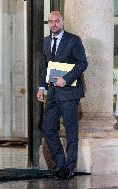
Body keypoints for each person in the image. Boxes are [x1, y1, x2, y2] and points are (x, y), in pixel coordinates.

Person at [37, 10, 88, 180]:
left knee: (71, 131)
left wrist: (66, 79)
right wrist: (41, 88)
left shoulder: (73, 40)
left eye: (56, 21)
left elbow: (82, 63)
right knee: (48, 128)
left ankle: (70, 168)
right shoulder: (46, 41)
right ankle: (60, 163)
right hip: (52, 93)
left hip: (69, 92)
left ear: (63, 22)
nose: (53, 24)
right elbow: (45, 66)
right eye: (50, 21)